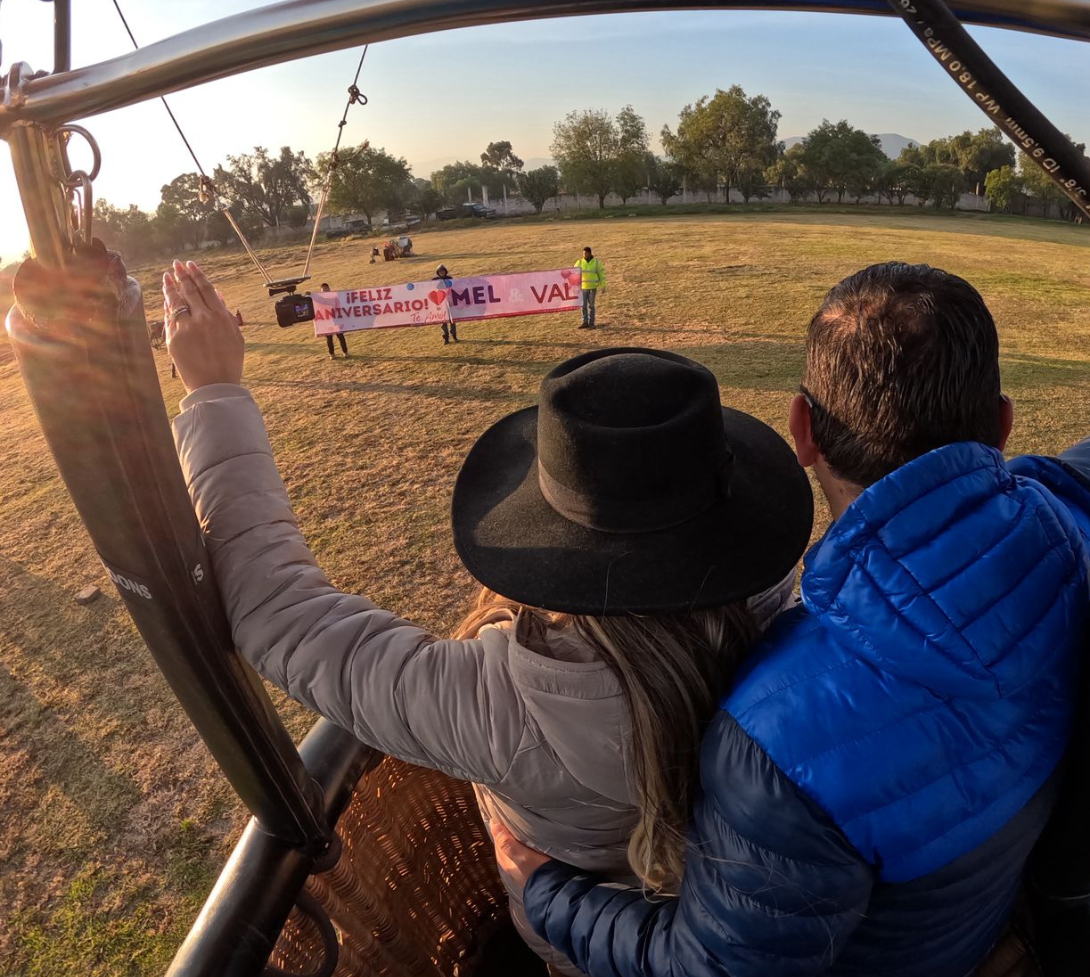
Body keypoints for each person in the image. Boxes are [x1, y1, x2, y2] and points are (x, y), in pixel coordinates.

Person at [160, 259, 814, 976]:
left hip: (575, 950)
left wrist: (214, 392)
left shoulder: (495, 701)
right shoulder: (802, 628)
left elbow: (280, 614)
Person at [495, 262, 1090, 977]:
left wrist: (546, 890)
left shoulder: (777, 743)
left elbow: (706, 968)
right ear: (1003, 425)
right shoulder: (1073, 524)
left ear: (802, 430)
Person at [575, 246, 605, 329]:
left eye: (585, 253)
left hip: (592, 287)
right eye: (583, 253)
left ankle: (591, 323)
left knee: (591, 306)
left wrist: (603, 285)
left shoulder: (596, 263)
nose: (584, 255)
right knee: (583, 305)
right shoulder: (579, 262)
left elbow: (601, 274)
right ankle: (585, 322)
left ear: (589, 253)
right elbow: (574, 273)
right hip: (583, 288)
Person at [318, 283, 348, 358]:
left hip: (336, 320)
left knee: (341, 336)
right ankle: (332, 354)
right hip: (327, 322)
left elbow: (338, 306)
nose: (325, 290)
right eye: (323, 289)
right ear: (321, 291)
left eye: (326, 289)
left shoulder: (334, 297)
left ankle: (345, 352)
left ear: (329, 289)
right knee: (329, 338)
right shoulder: (320, 299)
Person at [434, 264, 459, 343]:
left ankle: (454, 335)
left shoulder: (449, 279)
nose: (442, 272)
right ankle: (446, 338)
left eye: (443, 271)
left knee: (452, 320)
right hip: (441, 303)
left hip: (450, 302)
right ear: (438, 272)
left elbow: (454, 288)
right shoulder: (435, 281)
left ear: (445, 271)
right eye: (440, 271)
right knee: (443, 321)